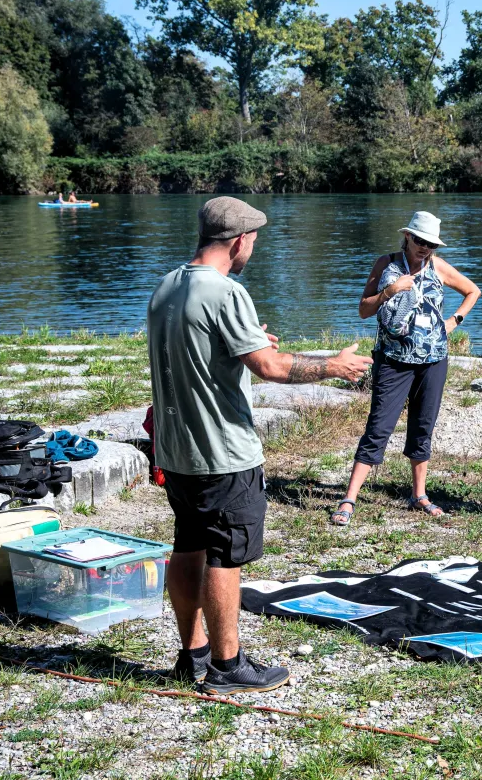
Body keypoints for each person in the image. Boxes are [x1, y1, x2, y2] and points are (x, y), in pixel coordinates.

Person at [149, 196, 372, 693]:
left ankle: (193, 654)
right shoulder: (226, 292)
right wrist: (333, 367)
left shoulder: (168, 286)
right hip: (222, 450)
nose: (253, 248)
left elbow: (202, 351)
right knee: (224, 555)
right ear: (239, 241)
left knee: (188, 544)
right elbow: (270, 368)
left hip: (177, 450)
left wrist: (248, 342)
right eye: (254, 240)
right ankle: (228, 669)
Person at [330, 211, 481, 526]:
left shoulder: (437, 267)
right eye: (420, 241)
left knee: (423, 426)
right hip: (392, 361)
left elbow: (473, 291)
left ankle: (419, 495)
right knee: (379, 427)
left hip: (433, 361)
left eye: (431, 244)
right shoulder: (386, 264)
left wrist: (453, 322)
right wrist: (391, 291)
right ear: (408, 237)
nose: (425, 248)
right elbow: (362, 310)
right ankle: (349, 498)